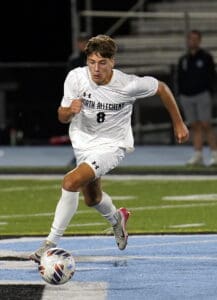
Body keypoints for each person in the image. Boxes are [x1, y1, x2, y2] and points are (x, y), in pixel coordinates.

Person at [30, 35, 189, 263]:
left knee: (70, 182)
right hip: (83, 144)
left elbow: (162, 88)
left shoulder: (128, 84)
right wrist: (70, 111)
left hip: (113, 146)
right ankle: (117, 219)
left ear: (112, 62)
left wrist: (178, 122)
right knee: (92, 199)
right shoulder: (75, 78)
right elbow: (61, 116)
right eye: (92, 62)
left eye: (102, 62)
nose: (96, 68)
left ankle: (49, 244)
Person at [177, 30, 217, 166]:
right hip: (187, 97)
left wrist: (210, 93)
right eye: (190, 39)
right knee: (195, 126)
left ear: (199, 41)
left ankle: (215, 154)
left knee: (206, 124)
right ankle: (198, 155)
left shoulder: (206, 57)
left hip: (202, 95)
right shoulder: (183, 59)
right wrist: (181, 94)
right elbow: (179, 78)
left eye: (195, 39)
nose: (192, 41)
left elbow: (212, 76)